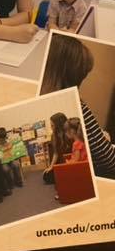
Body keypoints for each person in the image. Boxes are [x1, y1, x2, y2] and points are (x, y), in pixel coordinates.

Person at [39, 34, 115, 179]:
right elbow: (58, 154)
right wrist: (53, 167)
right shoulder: (57, 138)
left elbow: (104, 159)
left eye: (53, 126)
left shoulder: (76, 140)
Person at [43, 112, 71, 185]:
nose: (51, 127)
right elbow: (55, 153)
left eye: (52, 125)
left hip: (70, 160)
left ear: (58, 125)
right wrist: (51, 167)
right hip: (61, 162)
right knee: (46, 176)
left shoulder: (69, 134)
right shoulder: (54, 136)